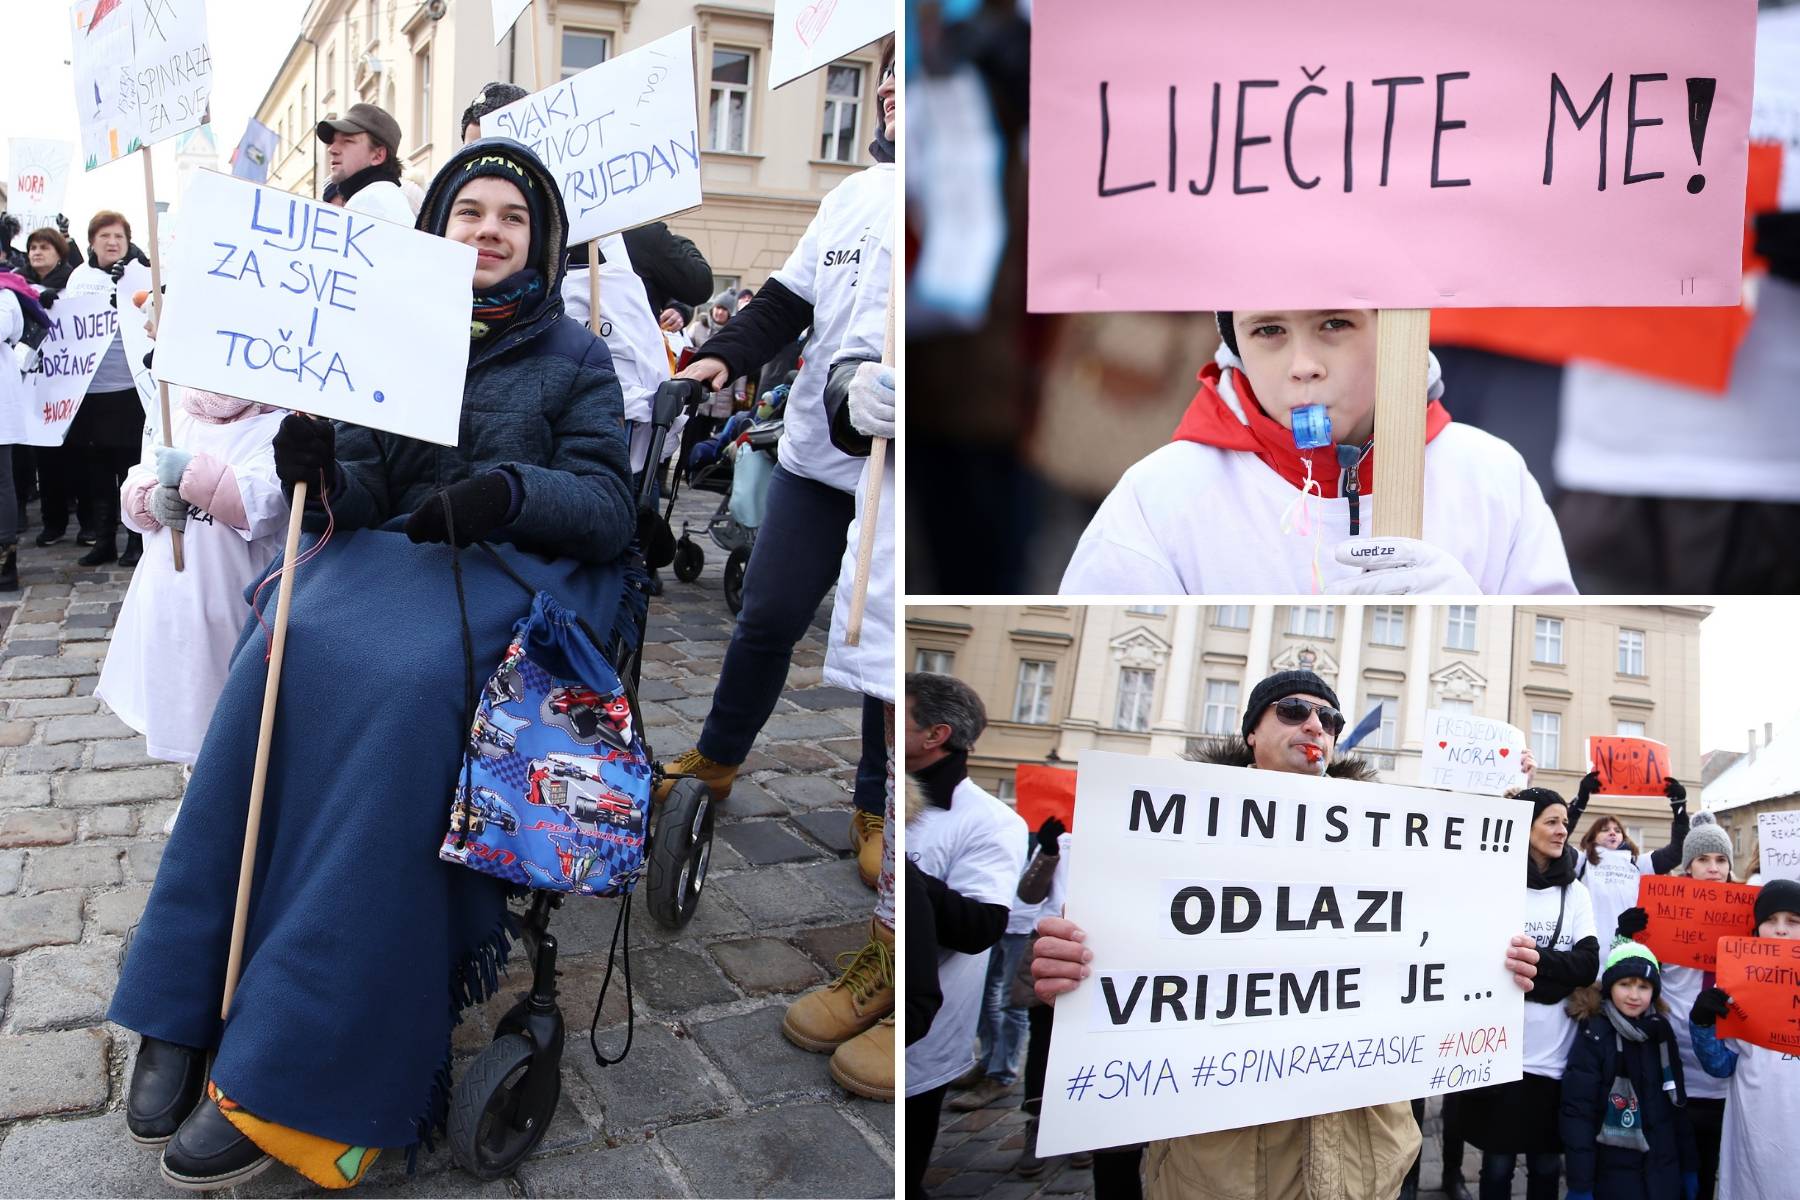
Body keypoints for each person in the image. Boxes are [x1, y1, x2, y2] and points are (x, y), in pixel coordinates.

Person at [107, 137, 636, 1190]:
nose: (487, 231)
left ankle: (308, 1054)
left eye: (511, 218)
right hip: (404, 553)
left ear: (540, 241)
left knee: (402, 693)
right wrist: (326, 472)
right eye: (469, 212)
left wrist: (508, 493)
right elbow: (366, 470)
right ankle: (189, 983)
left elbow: (611, 505)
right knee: (280, 644)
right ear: (439, 229)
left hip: (520, 574)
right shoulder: (407, 329)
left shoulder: (576, 357)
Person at [1032, 669, 1546, 1199]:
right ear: (1252, 730)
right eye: (1293, 710)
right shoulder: (1170, 836)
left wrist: (1495, 960)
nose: (1314, 725)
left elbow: (1446, 919)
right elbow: (1121, 964)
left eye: (1329, 718)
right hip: (1224, 1166)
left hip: (1362, 1159)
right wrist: (1070, 969)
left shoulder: (1389, 839)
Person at [657, 43, 896, 894]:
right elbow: (786, 304)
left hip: (908, 482)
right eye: (889, 77)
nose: (895, 90)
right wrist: (715, 360)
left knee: (885, 649)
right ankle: (719, 756)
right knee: (766, 615)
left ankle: (879, 800)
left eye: (918, 77)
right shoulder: (851, 197)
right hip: (816, 460)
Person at [1060, 311, 1577, 594]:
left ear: (1394, 330)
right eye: (1268, 331)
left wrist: (1469, 616)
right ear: (1235, 345)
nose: (1303, 364)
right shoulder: (1160, 494)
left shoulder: (1490, 475)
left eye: (1335, 324)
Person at [795, 155, 898, 1101]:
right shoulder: (873, 201)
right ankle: (889, 953)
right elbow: (856, 344)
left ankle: (912, 982)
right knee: (920, 739)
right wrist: (854, 391)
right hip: (905, 520)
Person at [96, 385, 288, 770]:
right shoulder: (173, 405)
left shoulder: (280, 421)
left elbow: (264, 506)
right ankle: (193, 786)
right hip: (168, 595)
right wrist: (146, 498)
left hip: (228, 596)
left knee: (224, 706)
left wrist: (189, 473)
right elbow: (141, 472)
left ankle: (224, 800)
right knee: (180, 704)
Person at [901, 671, 1027, 1198]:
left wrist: (905, 876)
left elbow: (980, 928)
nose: (885, 722)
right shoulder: (883, 777)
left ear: (936, 735)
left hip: (923, 1030)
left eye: (899, 715)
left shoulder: (992, 820)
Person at [1459, 787, 1601, 1200]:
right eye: (1551, 821)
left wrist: (1536, 963)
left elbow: (1588, 964)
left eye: (1565, 822)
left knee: (1545, 1164)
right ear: (1524, 826)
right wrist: (1557, 971)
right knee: (1498, 1166)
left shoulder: (1575, 893)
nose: (1562, 831)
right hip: (1499, 1052)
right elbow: (1484, 958)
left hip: (1553, 1058)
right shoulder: (1495, 884)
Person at [1610, 813, 1743, 1200]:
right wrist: (1625, 936)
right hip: (1673, 1051)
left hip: (1724, 1059)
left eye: (1721, 860)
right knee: (1673, 1159)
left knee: (1711, 1161)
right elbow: (1630, 968)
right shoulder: (1666, 909)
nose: (1713, 868)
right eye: (1704, 860)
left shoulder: (1748, 913)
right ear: (1689, 865)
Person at [1687, 878, 1800, 1200]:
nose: (1780, 930)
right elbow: (1720, 1065)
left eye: (1793, 922)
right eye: (1770, 921)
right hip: (1755, 1127)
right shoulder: (1740, 985)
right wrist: (1702, 1023)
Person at [1559, 941, 1697, 1200]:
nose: (1634, 995)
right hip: (1612, 1177)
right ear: (1610, 987)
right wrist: (1580, 1184)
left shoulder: (1661, 1033)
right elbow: (1578, 1114)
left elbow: (1677, 1105)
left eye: (1643, 987)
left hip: (1661, 1173)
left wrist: (1688, 1166)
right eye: (1625, 985)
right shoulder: (1595, 1035)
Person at [948, 816, 1059, 1113]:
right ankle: (989, 1062)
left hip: (1032, 934)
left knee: (1013, 1008)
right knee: (986, 999)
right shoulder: (1059, 841)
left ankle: (1002, 1073)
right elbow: (1028, 889)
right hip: (1003, 924)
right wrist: (1049, 850)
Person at [64, 212, 151, 567]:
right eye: (104, 236)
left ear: (128, 241)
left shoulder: (140, 272)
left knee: (130, 468)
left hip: (127, 388)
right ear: (92, 242)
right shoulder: (79, 277)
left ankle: (135, 539)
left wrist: (131, 292)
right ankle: (104, 540)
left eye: (118, 236)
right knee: (97, 471)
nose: (112, 242)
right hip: (90, 391)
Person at [1569, 772, 1693, 963]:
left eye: (1617, 830)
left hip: (1626, 957)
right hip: (1588, 958)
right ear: (1592, 837)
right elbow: (1558, 841)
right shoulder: (1583, 860)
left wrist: (1679, 807)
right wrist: (1580, 801)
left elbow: (1676, 853)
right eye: (1605, 829)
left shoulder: (1638, 863)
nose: (1612, 832)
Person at [16, 227, 79, 544]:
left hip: (72, 382)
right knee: (46, 458)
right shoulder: (17, 284)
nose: (37, 252)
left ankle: (88, 522)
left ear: (59, 252)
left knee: (78, 456)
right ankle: (52, 523)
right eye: (33, 248)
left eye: (44, 247)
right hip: (36, 384)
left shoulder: (75, 283)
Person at [315, 103, 414, 226]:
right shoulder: (382, 197)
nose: (331, 149)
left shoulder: (370, 202)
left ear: (378, 156)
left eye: (347, 141)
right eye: (334, 141)